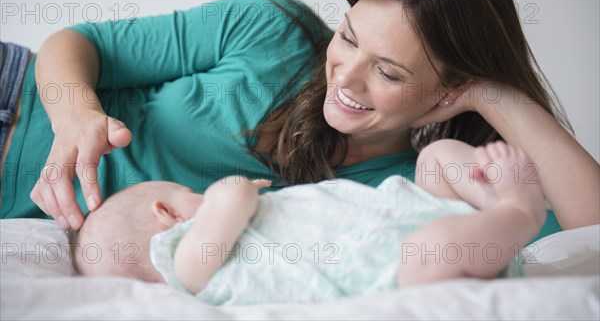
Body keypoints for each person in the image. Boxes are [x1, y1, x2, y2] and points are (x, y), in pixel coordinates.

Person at [1, 0, 598, 238]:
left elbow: (589, 232)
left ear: (449, 92)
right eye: (348, 37)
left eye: (389, 72)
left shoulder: (413, 192)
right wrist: (76, 113)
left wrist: (498, 96)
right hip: (15, 97)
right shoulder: (272, 28)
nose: (346, 77)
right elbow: (77, 44)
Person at [69, 139, 547, 305]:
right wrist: (223, 192)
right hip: (399, 264)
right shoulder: (186, 266)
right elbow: (232, 201)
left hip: (403, 211)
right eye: (187, 195)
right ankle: (519, 213)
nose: (201, 197)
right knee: (428, 254)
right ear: (167, 214)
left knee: (439, 156)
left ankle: (489, 202)